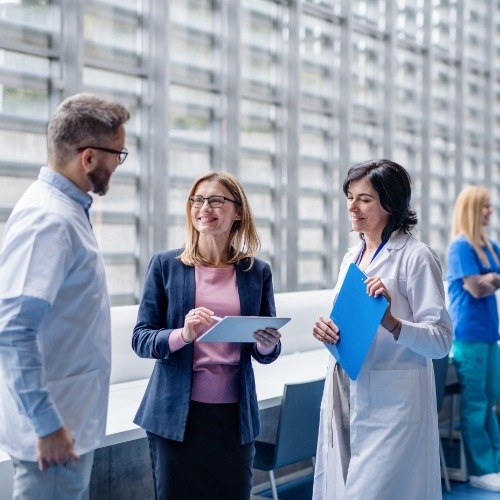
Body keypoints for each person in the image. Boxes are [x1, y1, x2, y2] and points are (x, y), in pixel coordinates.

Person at [0, 93, 130, 499]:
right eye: (118, 154)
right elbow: (13, 329)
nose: (118, 164)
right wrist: (47, 425)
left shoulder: (67, 211)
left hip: (68, 424)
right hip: (54, 436)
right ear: (88, 157)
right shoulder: (49, 219)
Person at [132, 171, 282, 500]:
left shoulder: (256, 272)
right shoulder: (165, 265)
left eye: (216, 200)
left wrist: (266, 343)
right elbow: (141, 339)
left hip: (233, 419)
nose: (205, 207)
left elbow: (266, 350)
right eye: (198, 200)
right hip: (175, 417)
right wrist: (183, 334)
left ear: (238, 211)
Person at [311, 159, 453, 499]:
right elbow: (345, 323)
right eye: (350, 196)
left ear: (391, 203)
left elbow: (441, 342)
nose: (352, 207)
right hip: (346, 391)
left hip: (394, 403)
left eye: (365, 199)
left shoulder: (417, 257)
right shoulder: (351, 258)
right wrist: (325, 329)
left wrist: (392, 322)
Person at [446, 185, 500, 492]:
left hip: (490, 334)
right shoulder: (460, 247)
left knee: (491, 399)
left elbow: (484, 283)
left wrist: (488, 279)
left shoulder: (489, 246)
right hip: (469, 335)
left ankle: (495, 464)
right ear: (471, 209)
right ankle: (481, 469)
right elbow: (476, 289)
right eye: (485, 207)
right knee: (477, 402)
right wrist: (491, 280)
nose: (490, 212)